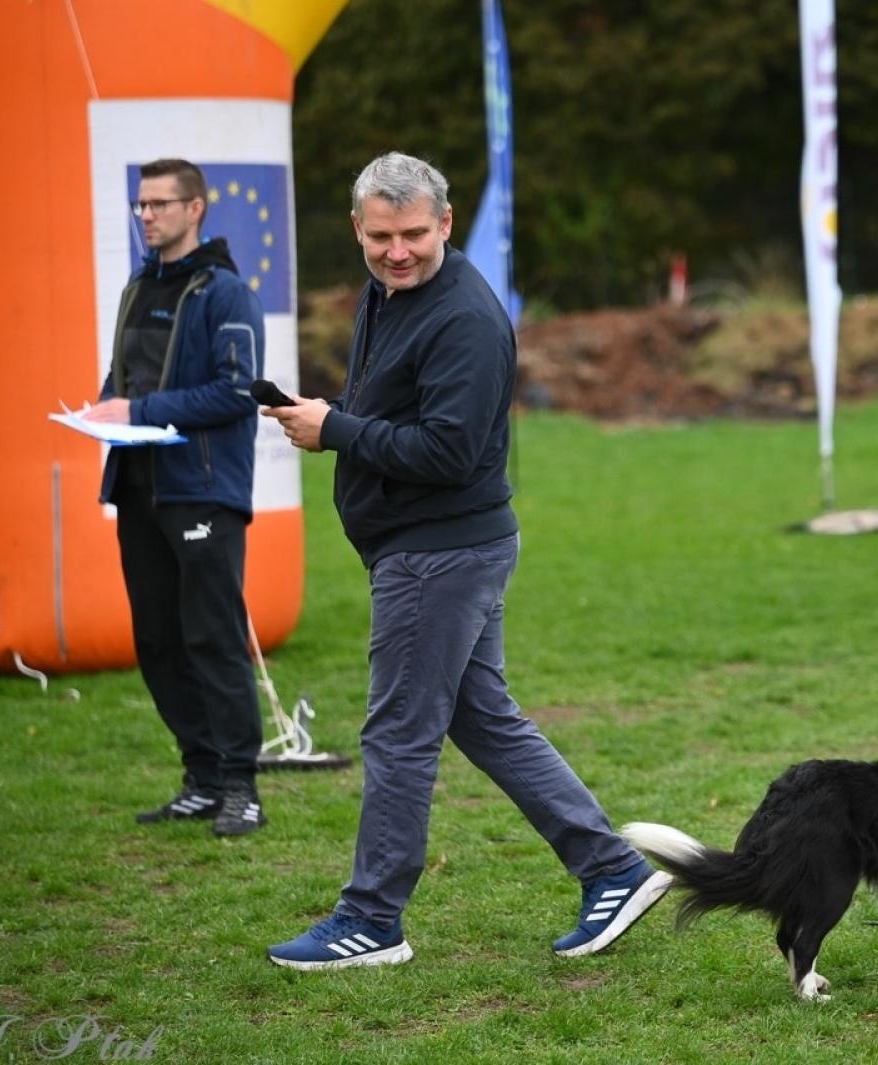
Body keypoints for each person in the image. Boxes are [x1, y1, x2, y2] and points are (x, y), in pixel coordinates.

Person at [261, 151, 670, 970]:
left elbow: (447, 451)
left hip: (440, 552)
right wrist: (334, 416)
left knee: (401, 734)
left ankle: (372, 917)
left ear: (446, 224)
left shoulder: (465, 319)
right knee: (480, 717)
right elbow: (399, 408)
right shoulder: (388, 293)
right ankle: (613, 868)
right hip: (430, 545)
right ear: (358, 229)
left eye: (414, 234)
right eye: (382, 236)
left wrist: (334, 430)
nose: (398, 250)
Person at [84, 158, 268, 838]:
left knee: (212, 638)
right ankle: (202, 777)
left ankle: (243, 787)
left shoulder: (226, 294)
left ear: (196, 209)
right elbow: (122, 375)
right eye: (141, 205)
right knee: (158, 641)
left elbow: (237, 390)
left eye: (160, 204)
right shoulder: (138, 286)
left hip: (203, 493)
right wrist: (104, 405)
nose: (147, 216)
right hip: (137, 489)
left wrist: (142, 405)